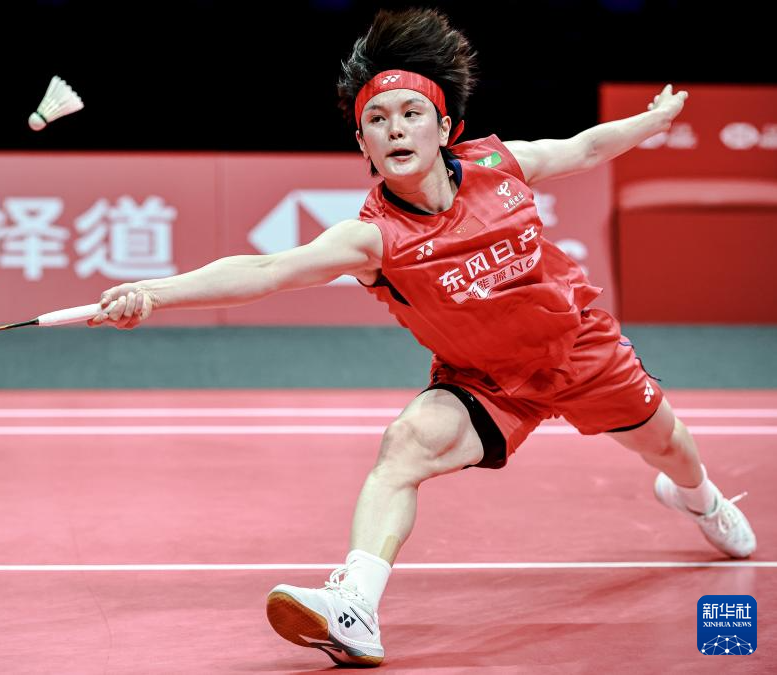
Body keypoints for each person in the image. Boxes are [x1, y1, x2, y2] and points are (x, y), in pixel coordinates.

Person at [87, 7, 757, 667]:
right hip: (485, 381)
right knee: (404, 445)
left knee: (669, 447)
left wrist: (651, 122)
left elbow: (582, 148)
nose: (395, 128)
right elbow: (266, 270)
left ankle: (701, 500)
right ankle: (354, 604)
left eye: (411, 113)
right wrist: (154, 293)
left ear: (444, 128)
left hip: (581, 349)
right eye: (376, 120)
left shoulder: (498, 164)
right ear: (363, 145)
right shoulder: (373, 238)